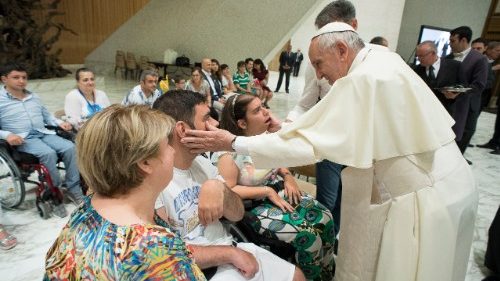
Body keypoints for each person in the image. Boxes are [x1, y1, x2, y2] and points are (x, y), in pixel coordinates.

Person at [181, 22, 478, 281]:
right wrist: (279, 131)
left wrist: (233, 142)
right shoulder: (382, 60)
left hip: (420, 196)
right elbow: (327, 130)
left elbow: (313, 143)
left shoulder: (363, 79)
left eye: (320, 64)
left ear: (341, 49)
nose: (320, 76)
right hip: (450, 182)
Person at [152, 90, 305, 281]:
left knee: (297, 276)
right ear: (183, 130)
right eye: (207, 118)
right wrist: (229, 254)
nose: (216, 124)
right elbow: (166, 252)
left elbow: (237, 214)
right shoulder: (155, 181)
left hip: (229, 246)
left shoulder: (203, 163)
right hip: (198, 268)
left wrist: (221, 189)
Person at [44, 105, 205, 280]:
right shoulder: (153, 249)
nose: (173, 151)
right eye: (167, 145)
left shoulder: (88, 209)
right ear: (145, 162)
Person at [216, 94, 335, 280]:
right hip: (252, 205)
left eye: (263, 106)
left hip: (276, 190)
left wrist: (287, 176)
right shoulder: (228, 153)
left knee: (326, 217)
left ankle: (326, 275)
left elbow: (277, 162)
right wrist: (266, 191)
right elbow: (228, 189)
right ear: (242, 124)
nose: (266, 112)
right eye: (257, 111)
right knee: (307, 236)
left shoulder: (265, 137)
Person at [0, 63, 84, 204]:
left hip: (43, 132)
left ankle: (73, 188)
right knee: (48, 153)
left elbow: (47, 116)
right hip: (23, 138)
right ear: (4, 79)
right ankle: (54, 190)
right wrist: (7, 135)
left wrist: (59, 123)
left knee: (71, 148)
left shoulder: (34, 97)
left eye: (24, 77)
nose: (21, 81)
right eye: (16, 77)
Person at [446, 26, 489, 157]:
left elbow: (479, 85)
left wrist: (458, 92)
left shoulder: (479, 59)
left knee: (462, 136)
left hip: (466, 105)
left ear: (463, 40)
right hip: (447, 103)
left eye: (453, 41)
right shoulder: (448, 57)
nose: (450, 44)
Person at [413, 41, 461, 113]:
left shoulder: (454, 66)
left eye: (422, 56)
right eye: (417, 56)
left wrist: (455, 94)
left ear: (433, 53)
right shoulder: (416, 70)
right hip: (424, 111)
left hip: (446, 111)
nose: (419, 59)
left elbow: (463, 84)